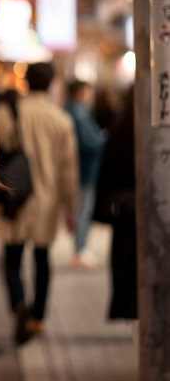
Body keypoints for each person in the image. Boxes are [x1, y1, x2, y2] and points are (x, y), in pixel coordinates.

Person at [0, 62, 78, 344]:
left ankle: (19, 305)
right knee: (42, 259)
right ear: (52, 82)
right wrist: (71, 208)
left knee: (12, 259)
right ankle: (38, 318)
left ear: (26, 82)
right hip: (47, 200)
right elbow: (69, 170)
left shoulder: (7, 114)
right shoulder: (61, 120)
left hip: (15, 198)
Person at [93, 86, 137, 321]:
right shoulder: (152, 131)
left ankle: (125, 308)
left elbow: (106, 170)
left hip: (123, 210)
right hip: (146, 209)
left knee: (123, 259)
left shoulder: (120, 127)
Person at [64, 79, 107, 269]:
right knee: (83, 210)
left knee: (82, 210)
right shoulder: (78, 112)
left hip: (84, 169)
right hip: (85, 170)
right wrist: (104, 138)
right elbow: (89, 142)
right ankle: (79, 249)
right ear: (81, 92)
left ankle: (81, 248)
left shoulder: (73, 110)